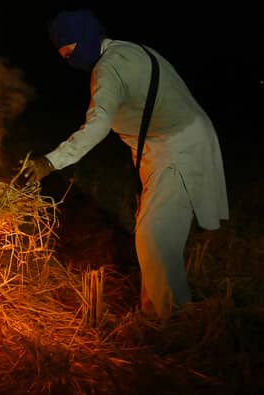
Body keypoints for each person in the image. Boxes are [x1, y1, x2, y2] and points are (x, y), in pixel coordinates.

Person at [22, 8, 229, 321]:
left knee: (155, 234)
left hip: (177, 148)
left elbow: (97, 125)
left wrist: (49, 162)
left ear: (84, 41)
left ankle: (173, 319)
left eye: (69, 53)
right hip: (178, 143)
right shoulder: (130, 50)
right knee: (158, 232)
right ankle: (161, 310)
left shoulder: (108, 68)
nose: (68, 61)